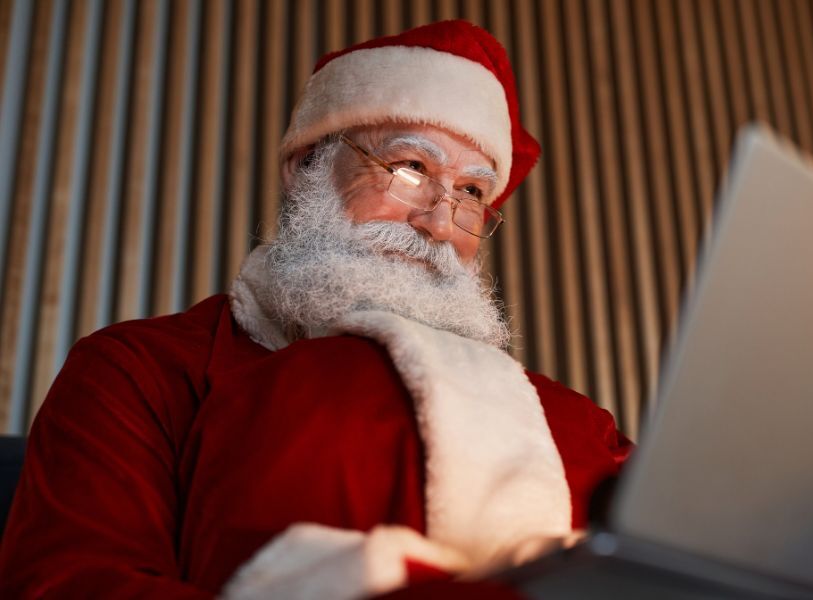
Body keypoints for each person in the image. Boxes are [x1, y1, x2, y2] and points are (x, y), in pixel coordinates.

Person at [0, 20, 631, 599]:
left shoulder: (579, 426)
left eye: (471, 192)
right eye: (410, 167)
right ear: (308, 168)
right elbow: (71, 585)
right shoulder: (139, 370)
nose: (441, 223)